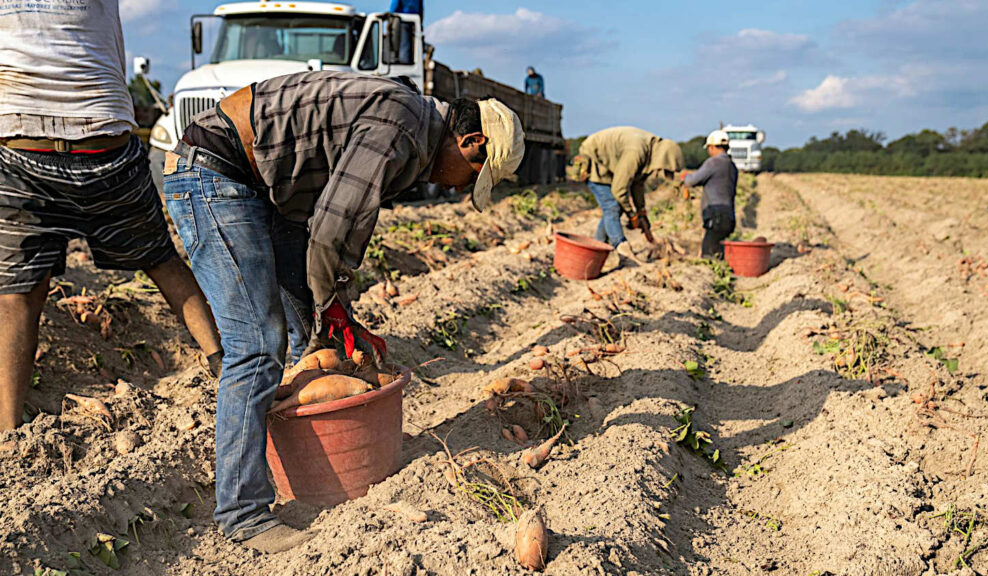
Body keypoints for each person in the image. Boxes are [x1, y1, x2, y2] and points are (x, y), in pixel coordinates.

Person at [163, 71, 524, 553]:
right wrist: (331, 301)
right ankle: (242, 513)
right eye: (475, 177)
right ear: (470, 141)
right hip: (217, 172)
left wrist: (337, 312)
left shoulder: (410, 128)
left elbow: (341, 226)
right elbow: (333, 228)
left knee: (316, 337)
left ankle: (319, 471)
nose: (463, 189)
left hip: (268, 194)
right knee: (257, 346)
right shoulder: (402, 128)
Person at [0, 0, 223, 432]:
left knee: (16, 294)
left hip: (25, 147)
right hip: (106, 142)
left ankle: (7, 433)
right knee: (161, 260)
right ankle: (226, 368)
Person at [573, 126, 683, 262]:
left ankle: (597, 249)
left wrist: (641, 212)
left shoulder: (650, 152)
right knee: (612, 207)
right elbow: (619, 190)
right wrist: (632, 215)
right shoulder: (636, 152)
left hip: (608, 166)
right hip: (595, 160)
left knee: (613, 210)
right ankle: (621, 248)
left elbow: (637, 184)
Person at [683, 130, 738, 258]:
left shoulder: (713, 163)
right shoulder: (731, 166)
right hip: (728, 215)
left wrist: (685, 178)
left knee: (709, 254)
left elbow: (692, 181)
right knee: (718, 251)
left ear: (712, 147)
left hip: (716, 216)